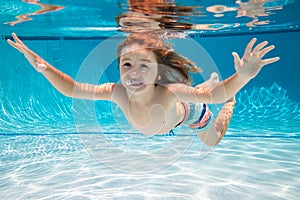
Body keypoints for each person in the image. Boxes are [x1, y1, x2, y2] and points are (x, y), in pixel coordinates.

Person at [7, 32, 279, 146]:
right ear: (119, 68)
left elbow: (211, 97)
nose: (133, 73)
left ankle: (232, 104)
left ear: (157, 71)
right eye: (127, 64)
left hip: (190, 114)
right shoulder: (116, 91)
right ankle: (209, 81)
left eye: (143, 66)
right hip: (176, 111)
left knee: (212, 139)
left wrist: (243, 76)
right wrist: (42, 66)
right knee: (199, 90)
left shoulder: (169, 92)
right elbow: (73, 89)